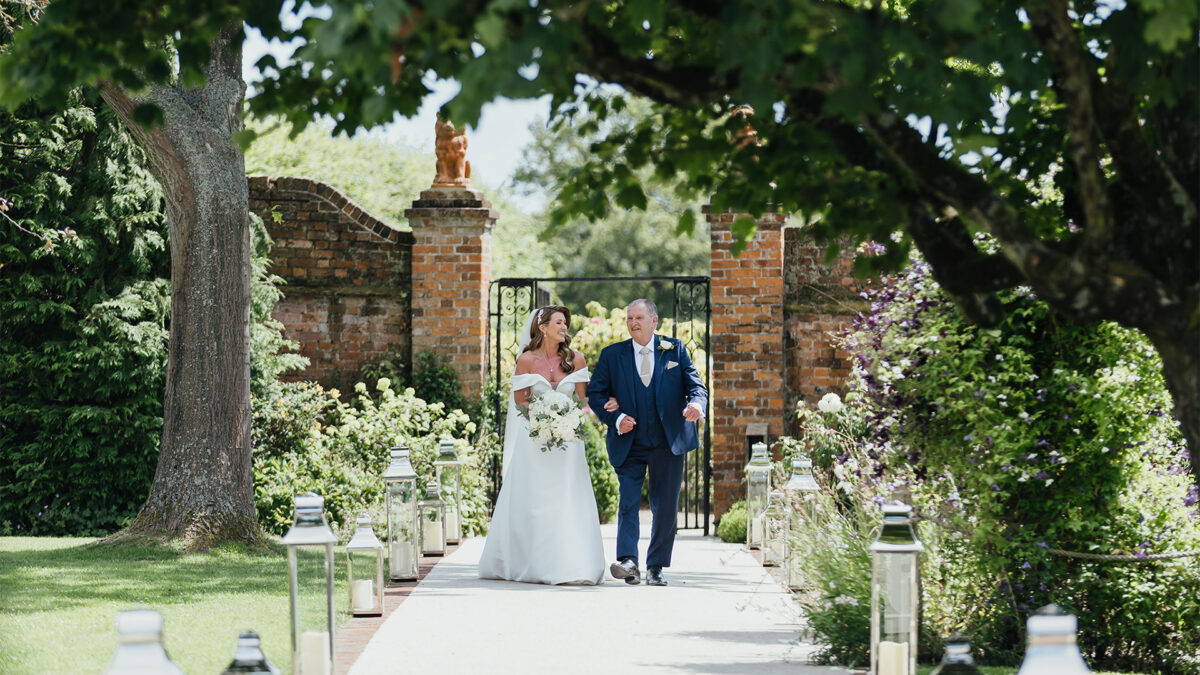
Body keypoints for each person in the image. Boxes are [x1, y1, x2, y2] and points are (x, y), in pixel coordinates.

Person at [478, 305, 605, 585]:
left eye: (565, 323)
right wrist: (541, 419)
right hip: (534, 442)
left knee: (567, 498)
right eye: (558, 323)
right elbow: (520, 400)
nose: (564, 328)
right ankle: (532, 563)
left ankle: (574, 563)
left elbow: (582, 401)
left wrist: (567, 418)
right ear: (543, 327)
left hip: (569, 443)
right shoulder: (526, 360)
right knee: (535, 499)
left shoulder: (577, 360)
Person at [586, 299, 707, 586]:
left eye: (639, 317)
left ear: (654, 321)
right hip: (629, 441)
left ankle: (656, 566)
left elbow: (696, 386)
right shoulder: (612, 355)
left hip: (668, 441)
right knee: (628, 501)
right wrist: (616, 419)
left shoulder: (674, 349)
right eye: (629, 318)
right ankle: (629, 561)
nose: (633, 323)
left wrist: (697, 406)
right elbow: (596, 394)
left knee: (665, 505)